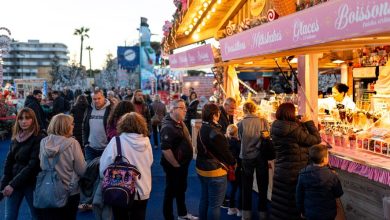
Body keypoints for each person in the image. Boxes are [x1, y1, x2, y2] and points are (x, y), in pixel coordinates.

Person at [270, 103, 321, 220]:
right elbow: (316, 139)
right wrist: (308, 122)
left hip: (281, 169)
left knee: (280, 201)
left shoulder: (275, 126)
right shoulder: (294, 130)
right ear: (290, 113)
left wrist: (299, 123)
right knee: (292, 204)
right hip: (294, 171)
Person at [99, 112, 153, 220]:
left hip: (120, 189)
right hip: (142, 188)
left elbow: (104, 166)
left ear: (122, 125)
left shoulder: (116, 141)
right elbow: (150, 161)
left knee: (120, 217)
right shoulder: (146, 142)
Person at [37, 114, 86, 220]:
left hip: (48, 188)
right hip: (70, 190)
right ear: (65, 126)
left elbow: (42, 165)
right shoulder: (73, 143)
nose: (73, 126)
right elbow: (81, 169)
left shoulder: (43, 142)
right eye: (71, 124)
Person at [0, 108, 45, 220]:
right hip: (14, 182)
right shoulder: (16, 137)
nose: (23, 121)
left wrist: (11, 185)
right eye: (21, 118)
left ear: (33, 120)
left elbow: (32, 165)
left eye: (27, 118)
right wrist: (3, 186)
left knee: (36, 216)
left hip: (32, 183)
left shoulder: (39, 138)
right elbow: (8, 162)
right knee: (9, 217)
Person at [196, 103, 236, 220]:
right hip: (215, 171)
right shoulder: (215, 132)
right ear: (214, 115)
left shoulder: (203, 127)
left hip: (201, 168)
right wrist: (233, 162)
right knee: (214, 205)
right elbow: (226, 153)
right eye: (218, 113)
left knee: (205, 199)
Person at [160, 99, 198, 220]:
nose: (185, 110)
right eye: (182, 108)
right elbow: (166, 150)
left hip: (182, 164)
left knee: (181, 190)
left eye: (185, 108)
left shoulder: (179, 121)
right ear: (172, 109)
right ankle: (169, 216)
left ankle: (182, 214)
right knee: (170, 192)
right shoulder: (168, 127)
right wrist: (176, 165)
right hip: (174, 166)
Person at [237, 101, 271, 220]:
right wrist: (257, 146)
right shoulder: (263, 121)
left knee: (246, 186)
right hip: (261, 156)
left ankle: (246, 214)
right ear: (255, 109)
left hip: (246, 156)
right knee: (263, 186)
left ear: (245, 110)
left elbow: (240, 138)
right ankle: (263, 213)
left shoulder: (240, 123)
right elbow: (267, 137)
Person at [80, 89, 112, 210]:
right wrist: (85, 143)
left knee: (103, 174)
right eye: (94, 99)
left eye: (99, 98)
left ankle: (102, 200)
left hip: (106, 148)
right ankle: (88, 201)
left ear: (104, 97)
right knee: (89, 174)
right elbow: (84, 126)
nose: (96, 101)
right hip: (91, 147)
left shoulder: (110, 109)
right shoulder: (89, 108)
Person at [296, 144, 344, 220]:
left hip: (310, 213)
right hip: (328, 213)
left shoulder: (302, 174)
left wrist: (301, 211)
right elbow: (338, 193)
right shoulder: (332, 175)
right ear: (325, 159)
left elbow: (299, 195)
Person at [225, 124, 242, 217]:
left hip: (229, 168)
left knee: (233, 188)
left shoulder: (225, 141)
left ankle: (231, 208)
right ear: (236, 133)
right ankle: (240, 209)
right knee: (240, 188)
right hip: (237, 168)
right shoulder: (237, 143)